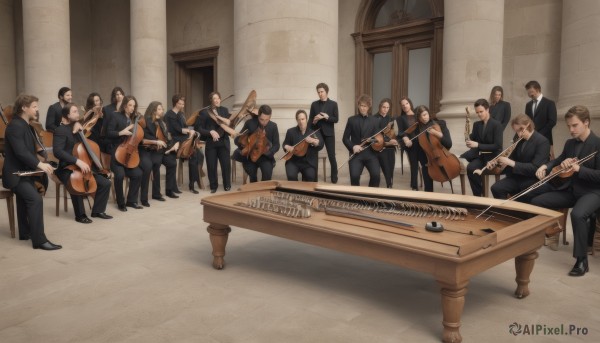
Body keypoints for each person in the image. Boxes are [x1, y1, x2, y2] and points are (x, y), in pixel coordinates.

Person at [530, 105, 600, 277]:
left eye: (574, 125)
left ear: (586, 122)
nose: (571, 129)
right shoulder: (570, 143)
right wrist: (547, 165)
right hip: (571, 189)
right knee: (537, 202)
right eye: (568, 126)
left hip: (592, 192)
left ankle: (581, 261)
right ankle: (549, 233)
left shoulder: (598, 144)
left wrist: (579, 169)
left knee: (577, 215)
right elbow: (560, 159)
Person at [2, 94, 61, 250]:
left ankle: (25, 233)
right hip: (14, 174)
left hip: (24, 173)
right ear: (24, 107)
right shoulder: (15, 125)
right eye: (34, 106)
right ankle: (39, 241)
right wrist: (39, 164)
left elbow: (29, 149)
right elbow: (21, 152)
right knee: (35, 199)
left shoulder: (26, 125)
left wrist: (41, 155)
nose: (37, 109)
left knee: (24, 199)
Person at [53, 103, 112, 223]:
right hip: (67, 168)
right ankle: (80, 215)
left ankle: (98, 211)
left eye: (77, 111)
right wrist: (77, 161)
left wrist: (80, 131)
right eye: (74, 112)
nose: (77, 113)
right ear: (67, 115)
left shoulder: (78, 129)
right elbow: (57, 152)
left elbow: (84, 148)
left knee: (105, 183)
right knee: (77, 180)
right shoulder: (60, 130)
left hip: (83, 166)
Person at [489, 114, 550, 202]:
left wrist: (511, 162)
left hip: (532, 180)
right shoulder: (520, 140)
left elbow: (535, 168)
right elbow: (512, 159)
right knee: (496, 188)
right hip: (517, 177)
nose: (519, 133)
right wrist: (499, 164)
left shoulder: (542, 142)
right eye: (516, 131)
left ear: (528, 125)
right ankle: (504, 212)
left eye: (521, 129)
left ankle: (518, 214)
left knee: (522, 196)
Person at [400, 105, 452, 192]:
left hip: (440, 155)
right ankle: (428, 194)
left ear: (428, 113)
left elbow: (449, 144)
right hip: (427, 159)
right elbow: (404, 133)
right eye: (420, 117)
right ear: (418, 118)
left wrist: (437, 134)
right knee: (425, 166)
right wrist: (405, 138)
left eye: (425, 114)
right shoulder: (417, 127)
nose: (424, 118)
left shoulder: (440, 124)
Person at [105, 95, 143, 211]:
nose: (132, 108)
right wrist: (122, 132)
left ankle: (131, 201)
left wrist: (140, 120)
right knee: (120, 175)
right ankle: (121, 202)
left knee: (138, 174)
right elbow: (109, 133)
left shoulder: (134, 119)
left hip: (130, 154)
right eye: (130, 105)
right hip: (117, 153)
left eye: (134, 106)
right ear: (125, 105)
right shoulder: (115, 115)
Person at [139, 101, 179, 205]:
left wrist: (174, 144)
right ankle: (155, 194)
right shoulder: (147, 121)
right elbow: (145, 137)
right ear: (154, 110)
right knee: (155, 164)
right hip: (153, 150)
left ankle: (169, 190)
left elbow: (167, 137)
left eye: (162, 109)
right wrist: (157, 142)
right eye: (160, 109)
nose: (162, 111)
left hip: (163, 149)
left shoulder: (161, 122)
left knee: (172, 163)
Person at [461, 98, 503, 197]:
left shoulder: (497, 125)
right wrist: (468, 140)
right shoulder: (476, 125)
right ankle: (478, 195)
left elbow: (497, 146)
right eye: (477, 112)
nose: (479, 114)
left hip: (493, 157)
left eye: (481, 111)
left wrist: (478, 145)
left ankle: (481, 196)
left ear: (487, 110)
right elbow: (474, 139)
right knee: (470, 167)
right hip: (481, 156)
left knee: (471, 165)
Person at [342, 94, 382, 187]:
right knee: (354, 176)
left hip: (371, 154)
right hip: (356, 154)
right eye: (361, 105)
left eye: (365, 106)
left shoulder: (375, 120)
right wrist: (353, 146)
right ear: (358, 105)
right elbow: (345, 138)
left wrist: (372, 140)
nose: (362, 108)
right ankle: (356, 199)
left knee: (376, 176)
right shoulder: (351, 120)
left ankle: (370, 198)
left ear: (369, 107)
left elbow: (378, 139)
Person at [165, 94, 203, 194]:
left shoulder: (181, 114)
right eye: (180, 103)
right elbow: (175, 129)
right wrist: (189, 132)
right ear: (175, 103)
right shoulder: (169, 114)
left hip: (184, 138)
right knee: (193, 156)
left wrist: (191, 130)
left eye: (183, 103)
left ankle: (192, 183)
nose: (182, 105)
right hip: (174, 140)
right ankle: (173, 187)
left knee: (197, 155)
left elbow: (185, 126)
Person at [196, 91, 232, 193]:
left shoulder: (224, 110)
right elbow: (198, 128)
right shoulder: (204, 112)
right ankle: (213, 185)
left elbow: (229, 124)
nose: (216, 100)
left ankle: (227, 184)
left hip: (223, 141)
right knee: (211, 165)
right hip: (211, 143)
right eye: (214, 98)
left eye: (218, 98)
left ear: (220, 99)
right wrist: (210, 131)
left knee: (226, 165)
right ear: (211, 100)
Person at [233, 105, 280, 182]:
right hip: (251, 156)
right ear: (258, 116)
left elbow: (277, 145)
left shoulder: (273, 126)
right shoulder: (249, 123)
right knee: (252, 174)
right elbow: (237, 140)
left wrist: (269, 152)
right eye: (261, 119)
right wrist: (242, 140)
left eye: (267, 119)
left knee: (267, 174)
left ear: (270, 117)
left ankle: (264, 191)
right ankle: (254, 190)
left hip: (265, 157)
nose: (264, 122)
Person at [308, 83, 339, 183]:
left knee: (332, 156)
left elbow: (336, 119)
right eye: (318, 92)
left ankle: (334, 177)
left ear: (326, 91)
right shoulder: (314, 104)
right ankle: (314, 178)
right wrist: (314, 121)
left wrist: (326, 117)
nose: (320, 94)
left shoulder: (333, 104)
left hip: (329, 133)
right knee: (314, 155)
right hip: (317, 133)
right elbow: (310, 120)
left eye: (322, 92)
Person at [282, 109, 324, 181]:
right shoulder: (290, 131)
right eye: (299, 120)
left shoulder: (313, 131)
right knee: (291, 176)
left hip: (308, 162)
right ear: (297, 120)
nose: (301, 122)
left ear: (306, 119)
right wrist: (287, 147)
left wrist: (314, 141)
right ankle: (295, 191)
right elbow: (285, 144)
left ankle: (305, 192)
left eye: (303, 119)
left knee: (310, 176)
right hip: (293, 161)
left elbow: (321, 144)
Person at [524, 80, 557, 157]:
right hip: (531, 139)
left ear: (538, 89)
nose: (530, 94)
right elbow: (527, 121)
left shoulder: (550, 103)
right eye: (528, 92)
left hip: (545, 138)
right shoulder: (528, 105)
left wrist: (538, 134)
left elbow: (552, 121)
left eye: (531, 92)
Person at [373, 98, 398, 188]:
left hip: (390, 147)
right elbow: (375, 134)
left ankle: (389, 182)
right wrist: (387, 141)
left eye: (388, 107)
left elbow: (392, 133)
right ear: (380, 106)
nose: (386, 109)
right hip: (380, 146)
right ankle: (388, 184)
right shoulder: (373, 118)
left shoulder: (390, 119)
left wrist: (394, 140)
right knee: (385, 165)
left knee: (391, 166)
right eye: (384, 107)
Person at [396, 97, 418, 190]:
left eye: (406, 103)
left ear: (410, 104)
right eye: (403, 105)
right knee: (414, 162)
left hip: (421, 141)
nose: (405, 106)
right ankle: (414, 185)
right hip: (410, 143)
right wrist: (405, 138)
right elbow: (400, 132)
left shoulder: (418, 115)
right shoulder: (401, 118)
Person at [100, 87, 125, 154]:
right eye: (117, 94)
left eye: (120, 94)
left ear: (123, 95)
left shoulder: (127, 108)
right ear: (114, 97)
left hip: (124, 140)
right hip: (112, 140)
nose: (119, 96)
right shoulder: (107, 109)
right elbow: (106, 127)